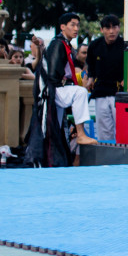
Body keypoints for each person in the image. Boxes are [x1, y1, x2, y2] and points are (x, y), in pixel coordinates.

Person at [36, 13, 95, 152]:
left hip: (57, 88)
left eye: (77, 25)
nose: (76, 28)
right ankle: (80, 134)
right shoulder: (58, 44)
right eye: (72, 25)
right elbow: (53, 73)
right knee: (80, 92)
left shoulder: (64, 44)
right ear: (62, 27)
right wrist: (62, 82)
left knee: (56, 128)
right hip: (53, 89)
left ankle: (54, 157)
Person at [83, 15, 124, 143]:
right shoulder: (95, 45)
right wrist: (90, 79)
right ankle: (106, 158)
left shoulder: (125, 45)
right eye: (108, 28)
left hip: (120, 92)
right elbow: (91, 68)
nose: (111, 31)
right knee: (104, 131)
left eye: (114, 27)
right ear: (101, 30)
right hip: (100, 91)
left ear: (119, 28)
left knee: (122, 128)